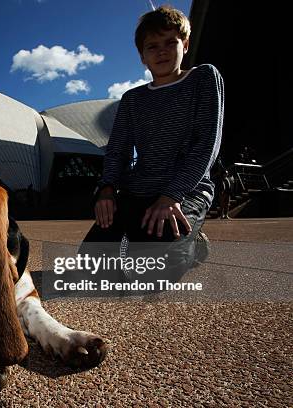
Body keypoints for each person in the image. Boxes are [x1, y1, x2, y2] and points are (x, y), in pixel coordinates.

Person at [81, 6, 224, 289]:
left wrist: (172, 195)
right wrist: (107, 189)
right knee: (91, 268)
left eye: (170, 42)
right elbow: (118, 150)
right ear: (142, 57)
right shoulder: (132, 99)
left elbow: (207, 143)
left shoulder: (203, 78)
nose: (162, 51)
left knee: (151, 277)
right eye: (152, 46)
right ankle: (141, 234)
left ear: (185, 43)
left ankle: (192, 244)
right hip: (139, 190)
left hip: (184, 192)